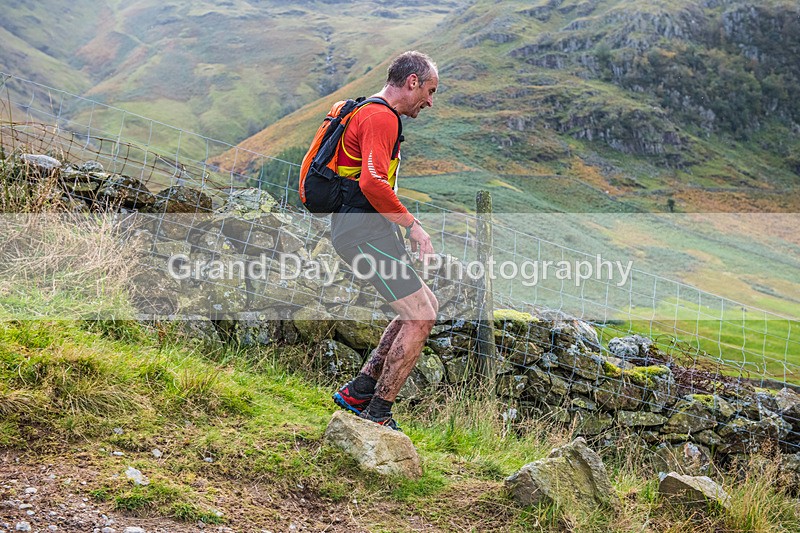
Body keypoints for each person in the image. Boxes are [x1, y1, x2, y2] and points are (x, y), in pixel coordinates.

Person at [330, 50, 440, 430]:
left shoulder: (374, 113)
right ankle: (377, 413)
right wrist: (413, 226)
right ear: (412, 82)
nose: (429, 101)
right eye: (429, 90)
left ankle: (359, 391)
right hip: (363, 232)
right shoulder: (380, 116)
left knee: (425, 304)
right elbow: (372, 182)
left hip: (368, 230)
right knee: (421, 316)